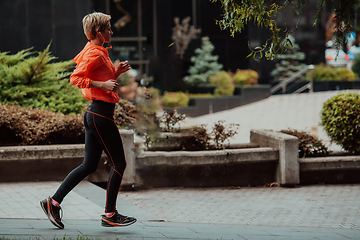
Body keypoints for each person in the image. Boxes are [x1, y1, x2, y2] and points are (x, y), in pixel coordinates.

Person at [40, 12, 136, 229]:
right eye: (108, 29)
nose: (111, 32)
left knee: (88, 165)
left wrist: (115, 73)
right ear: (98, 33)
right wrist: (103, 85)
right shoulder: (94, 53)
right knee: (119, 163)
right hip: (100, 115)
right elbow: (75, 78)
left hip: (94, 113)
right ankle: (110, 214)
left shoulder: (97, 50)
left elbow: (102, 78)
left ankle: (53, 203)